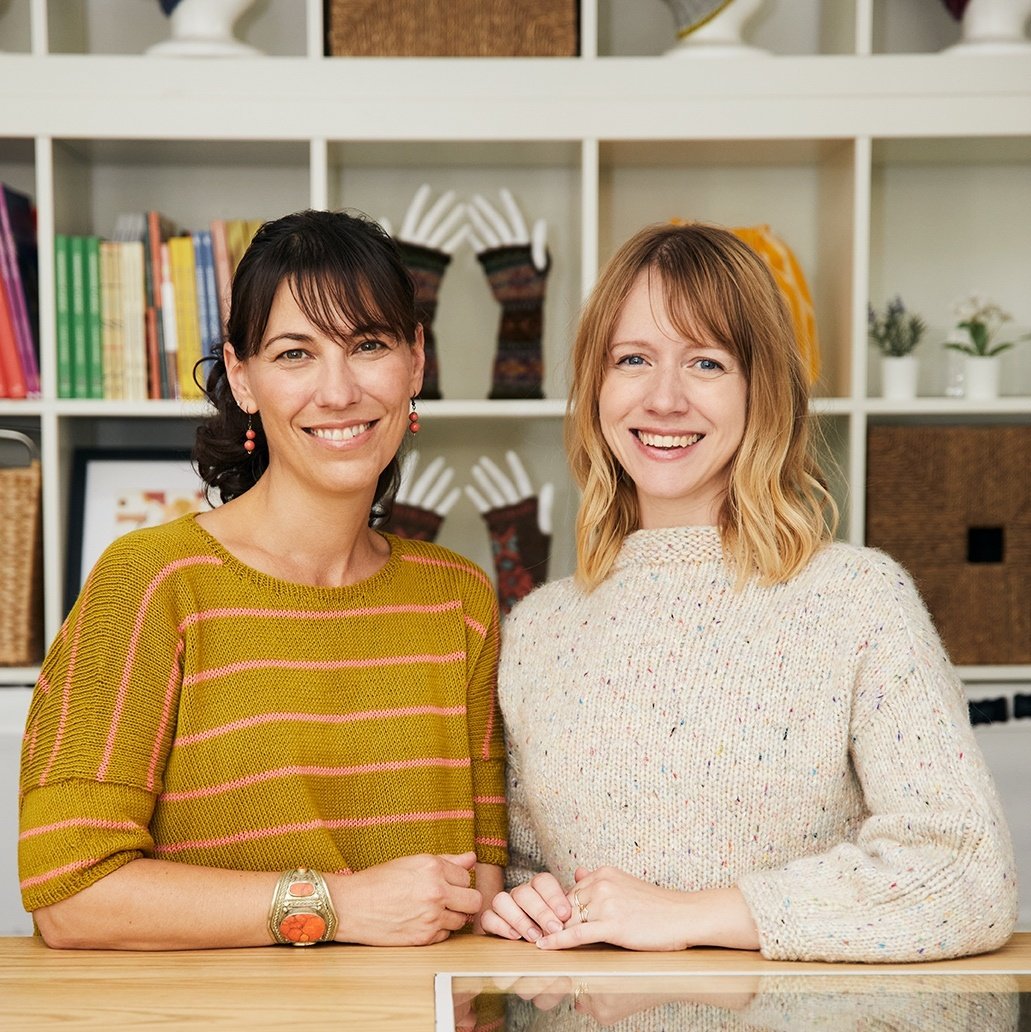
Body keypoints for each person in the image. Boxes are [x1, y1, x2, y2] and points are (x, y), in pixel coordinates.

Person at [482, 221, 1017, 962]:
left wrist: (696, 915)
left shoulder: (857, 601)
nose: (663, 398)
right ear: (594, 386)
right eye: (632, 359)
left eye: (705, 362)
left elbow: (966, 875)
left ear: (758, 389)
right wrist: (520, 902)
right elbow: (524, 870)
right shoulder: (536, 629)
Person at [19, 209, 507, 950]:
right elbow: (68, 892)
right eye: (294, 354)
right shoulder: (153, 583)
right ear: (242, 377)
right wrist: (334, 906)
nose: (338, 390)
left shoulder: (460, 600)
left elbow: (479, 893)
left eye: (367, 345)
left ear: (414, 363)